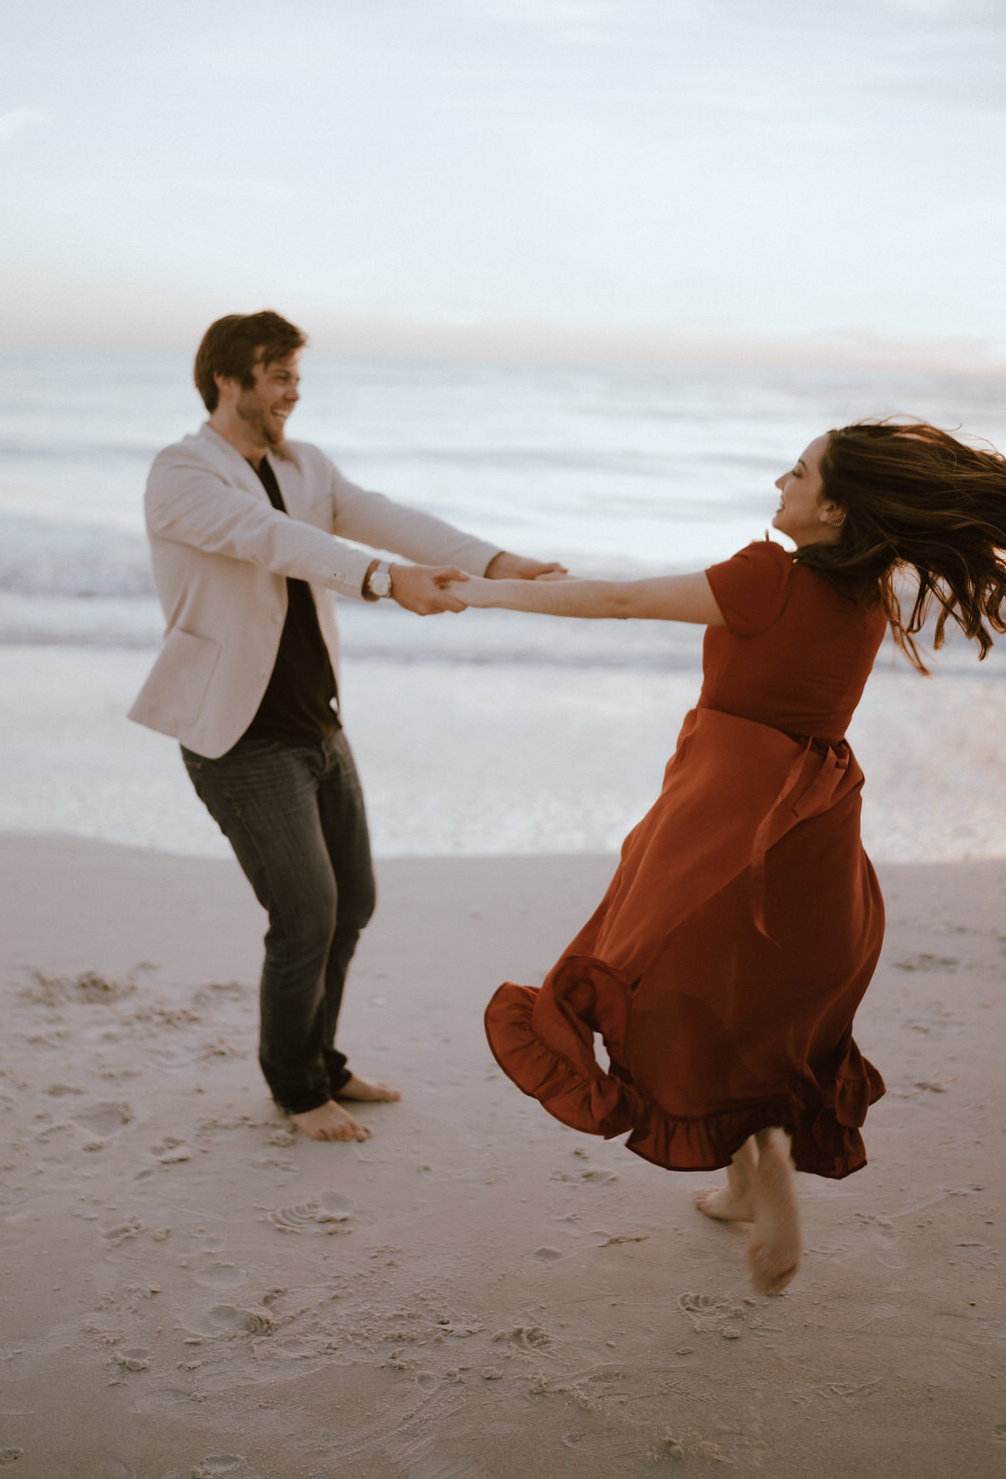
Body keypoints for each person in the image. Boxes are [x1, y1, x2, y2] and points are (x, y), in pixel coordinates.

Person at [446, 420, 1006, 1294]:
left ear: (833, 508)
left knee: (667, 986)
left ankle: (768, 1167)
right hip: (815, 829)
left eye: (798, 472)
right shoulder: (865, 598)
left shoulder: (765, 576)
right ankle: (747, 1183)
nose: (778, 481)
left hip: (721, 817)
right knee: (759, 1006)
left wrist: (478, 594)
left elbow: (622, 601)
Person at [129, 311, 563, 1144]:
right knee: (306, 914)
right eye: (279, 374)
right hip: (239, 736)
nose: (294, 391)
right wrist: (379, 580)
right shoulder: (182, 473)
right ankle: (296, 1092)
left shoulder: (305, 465)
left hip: (317, 725)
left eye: (296, 375)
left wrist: (498, 564)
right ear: (229, 378)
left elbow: (389, 519)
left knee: (351, 903)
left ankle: (321, 1062)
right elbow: (268, 539)